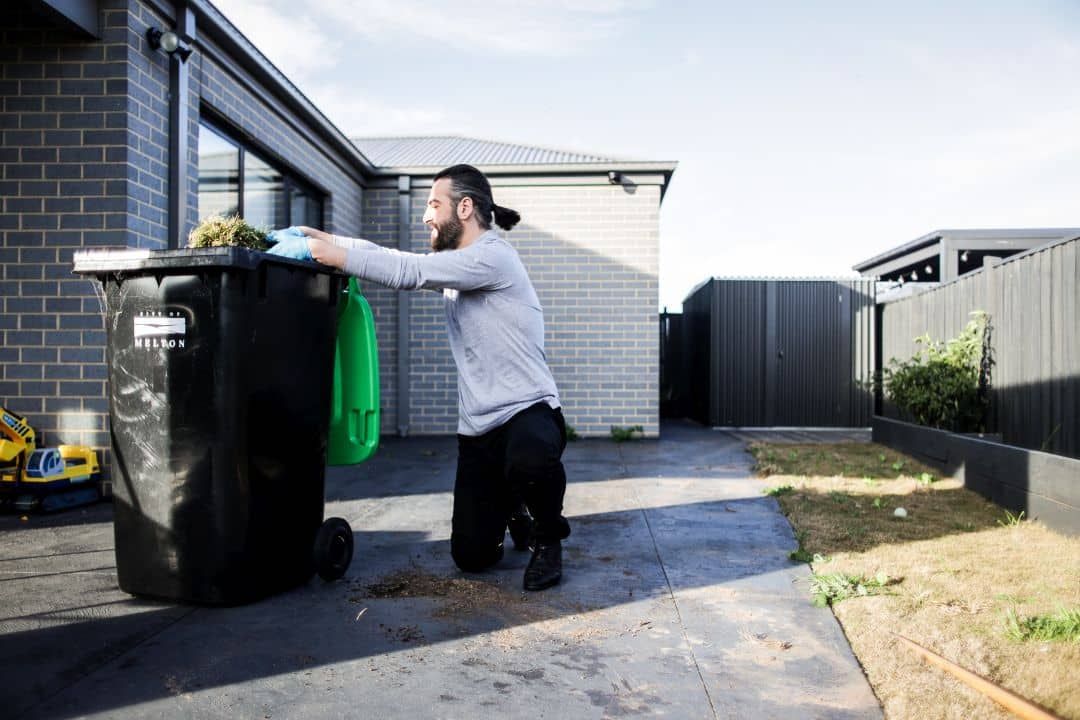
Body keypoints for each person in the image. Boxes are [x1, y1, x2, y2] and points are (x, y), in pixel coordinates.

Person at [268, 164, 570, 591]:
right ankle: (512, 503)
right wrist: (316, 236)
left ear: (464, 208)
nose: (426, 216)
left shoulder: (493, 256)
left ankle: (547, 539)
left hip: (528, 411)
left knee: (530, 458)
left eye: (433, 204)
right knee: (471, 557)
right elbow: (391, 255)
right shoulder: (455, 264)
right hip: (479, 428)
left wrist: (322, 255)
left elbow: (411, 272)